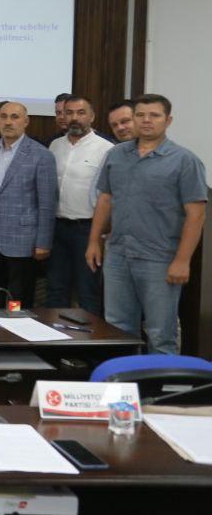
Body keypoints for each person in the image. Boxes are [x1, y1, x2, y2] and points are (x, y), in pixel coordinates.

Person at [87, 94, 207, 355]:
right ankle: (125, 379)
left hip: (160, 258)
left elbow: (196, 215)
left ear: (168, 120)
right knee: (117, 328)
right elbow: (106, 199)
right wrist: (94, 241)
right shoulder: (116, 155)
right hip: (118, 255)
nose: (146, 120)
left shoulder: (185, 160)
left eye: (154, 115)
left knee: (160, 332)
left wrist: (183, 260)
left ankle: (161, 381)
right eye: (140, 115)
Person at [0, 102, 58, 308]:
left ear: (26, 121)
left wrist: (43, 242)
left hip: (23, 239)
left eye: (14, 117)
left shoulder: (41, 154)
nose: (8, 122)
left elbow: (47, 202)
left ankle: (16, 328)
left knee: (18, 298)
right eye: (3, 117)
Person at [47, 96, 112, 315]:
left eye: (81, 112)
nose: (74, 117)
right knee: (55, 289)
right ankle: (53, 335)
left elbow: (110, 195)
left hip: (88, 230)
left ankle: (89, 337)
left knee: (87, 291)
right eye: (69, 112)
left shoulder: (106, 149)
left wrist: (100, 235)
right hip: (57, 228)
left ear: (92, 116)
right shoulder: (55, 146)